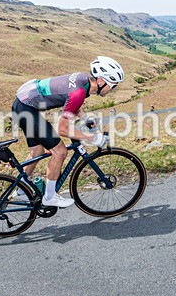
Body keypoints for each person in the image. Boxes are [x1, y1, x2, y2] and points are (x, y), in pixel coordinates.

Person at [12, 56, 124, 208]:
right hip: (27, 108)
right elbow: (62, 129)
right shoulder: (79, 92)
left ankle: (20, 191)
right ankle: (50, 197)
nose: (112, 89)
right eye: (112, 85)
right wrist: (92, 138)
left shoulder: (83, 80)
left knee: (37, 152)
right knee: (60, 152)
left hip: (23, 103)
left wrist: (84, 118)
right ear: (100, 81)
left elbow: (70, 102)